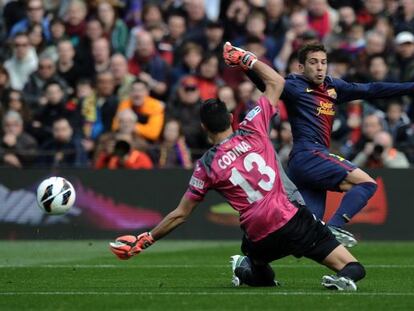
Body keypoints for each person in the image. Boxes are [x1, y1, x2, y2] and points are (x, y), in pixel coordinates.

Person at [109, 42, 366, 291]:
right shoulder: (252, 126)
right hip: (292, 218)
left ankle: (247, 267)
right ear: (232, 119)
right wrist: (246, 58)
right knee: (354, 268)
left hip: (258, 235)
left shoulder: (205, 166)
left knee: (261, 269)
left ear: (204, 128)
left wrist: (147, 239)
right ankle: (338, 277)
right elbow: (277, 82)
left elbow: (181, 214)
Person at [277, 43, 414, 247]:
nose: (320, 67)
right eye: (313, 62)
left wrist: (410, 86)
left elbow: (372, 89)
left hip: (306, 163)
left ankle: (250, 264)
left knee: (305, 234)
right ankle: (334, 227)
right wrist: (246, 62)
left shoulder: (334, 87)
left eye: (323, 62)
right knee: (367, 183)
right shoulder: (292, 86)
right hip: (309, 154)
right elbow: (267, 81)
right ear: (301, 67)